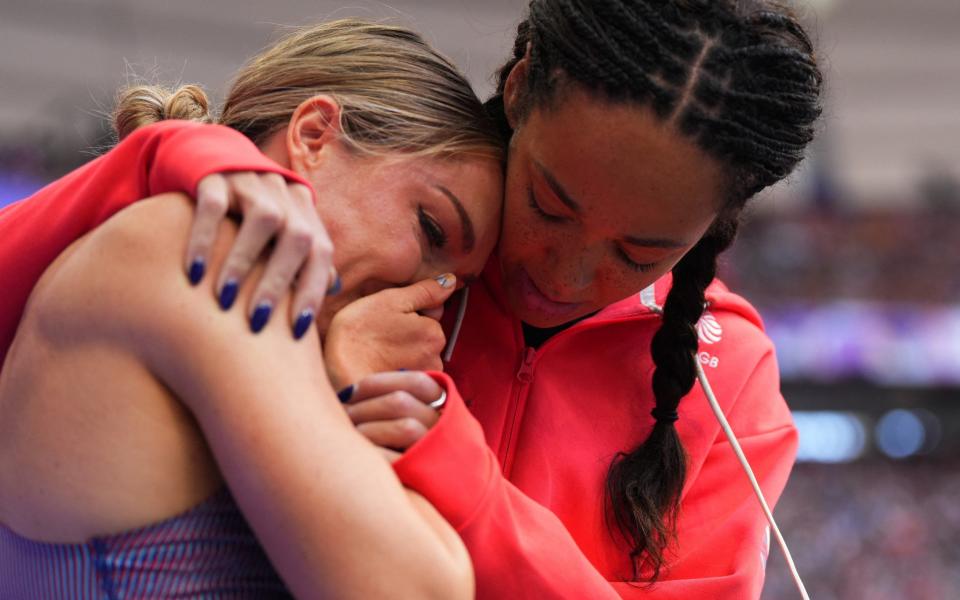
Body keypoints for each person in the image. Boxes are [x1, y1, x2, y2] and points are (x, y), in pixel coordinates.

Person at [0, 1, 823, 598]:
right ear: (521, 90)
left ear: (716, 227)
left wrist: (440, 442)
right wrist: (174, 157)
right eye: (546, 203)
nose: (565, 275)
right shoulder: (385, 241)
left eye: (640, 253)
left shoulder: (733, 377)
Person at [0, 19, 505, 599]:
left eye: (455, 287)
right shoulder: (204, 251)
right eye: (431, 228)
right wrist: (360, 387)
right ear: (314, 136)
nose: (429, 299)